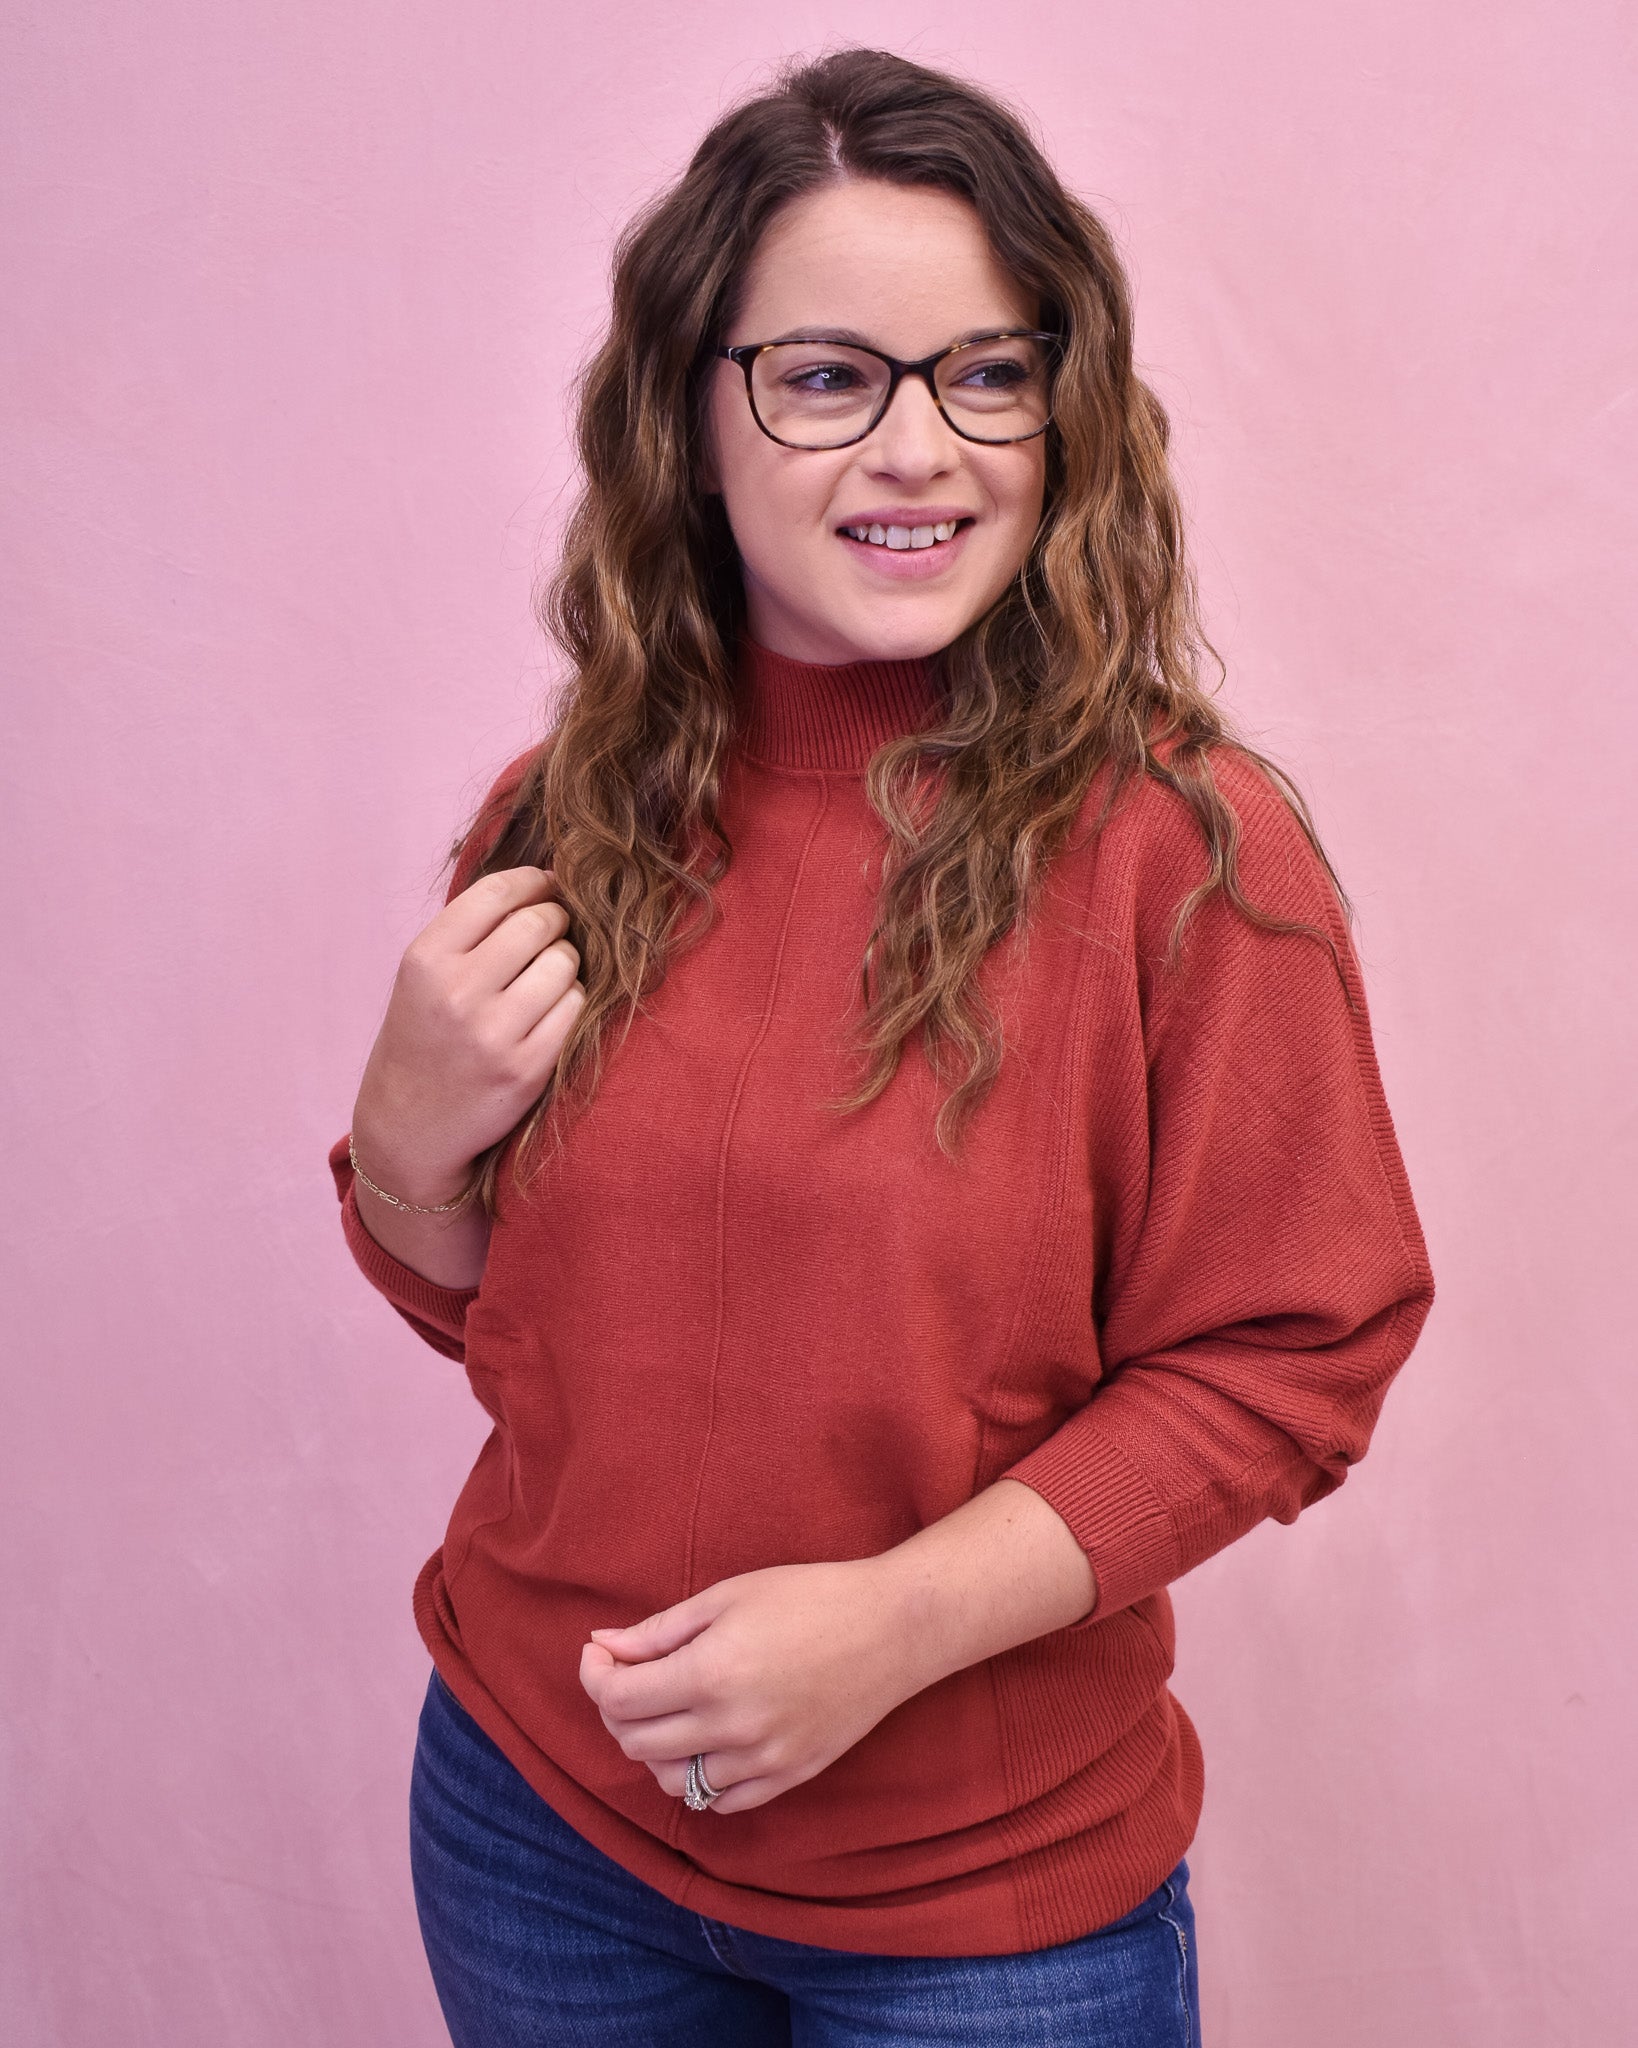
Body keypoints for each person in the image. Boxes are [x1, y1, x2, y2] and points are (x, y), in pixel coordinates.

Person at [327, 46, 1434, 2048]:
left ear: (1062, 414)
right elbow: (539, 1327)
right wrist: (402, 1156)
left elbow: (1291, 1353)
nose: (920, 447)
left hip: (984, 1924)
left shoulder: (1185, 854)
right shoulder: (565, 811)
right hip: (535, 1835)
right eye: (829, 376)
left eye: (986, 374)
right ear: (694, 411)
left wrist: (886, 1632)